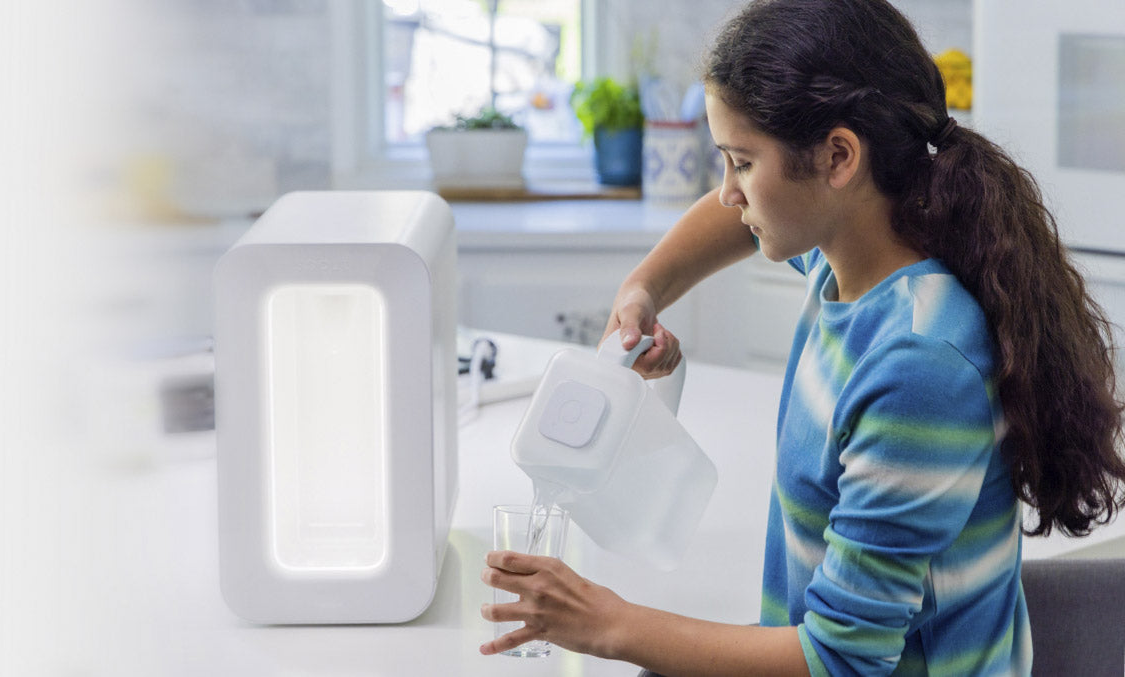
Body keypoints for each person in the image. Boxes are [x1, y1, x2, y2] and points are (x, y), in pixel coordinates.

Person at [479, 0, 1125, 674]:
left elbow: (842, 658)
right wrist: (644, 288)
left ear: (838, 157)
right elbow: (738, 215)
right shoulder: (857, 252)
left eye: (740, 161)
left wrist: (607, 624)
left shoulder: (919, 365)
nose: (728, 192)